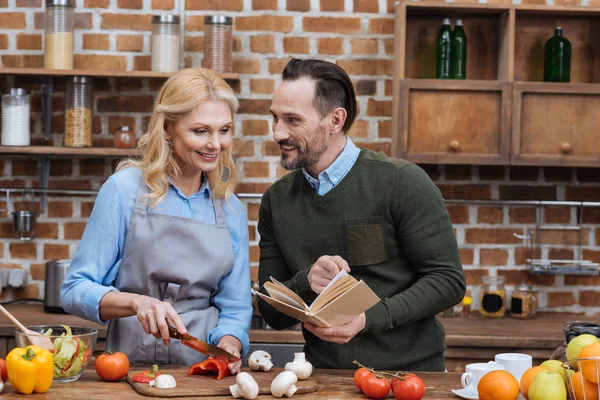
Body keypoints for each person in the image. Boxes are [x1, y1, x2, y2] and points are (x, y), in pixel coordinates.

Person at [257, 58, 466, 372]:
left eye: (292, 120)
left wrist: (369, 318)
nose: (277, 133)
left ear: (335, 120)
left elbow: (448, 282)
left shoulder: (402, 182)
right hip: (323, 379)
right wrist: (306, 280)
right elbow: (271, 313)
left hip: (411, 377)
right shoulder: (277, 200)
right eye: (274, 118)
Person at [61, 68, 252, 372]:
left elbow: (236, 307)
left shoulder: (231, 210)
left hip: (202, 373)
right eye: (200, 131)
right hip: (127, 370)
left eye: (224, 130)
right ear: (167, 129)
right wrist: (136, 303)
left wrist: (230, 343)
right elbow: (74, 290)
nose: (215, 144)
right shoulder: (123, 190)